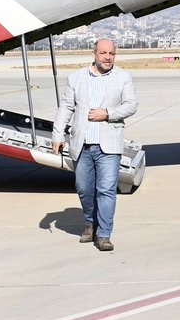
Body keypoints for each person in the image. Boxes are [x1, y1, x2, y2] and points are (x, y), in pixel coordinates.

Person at [52, 39, 138, 252]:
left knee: (106, 190)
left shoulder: (123, 77)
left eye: (112, 53)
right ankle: (91, 223)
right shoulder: (76, 78)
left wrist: (108, 114)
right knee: (84, 189)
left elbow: (131, 105)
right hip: (82, 145)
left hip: (109, 145)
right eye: (103, 53)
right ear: (94, 55)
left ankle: (104, 234)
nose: (108, 57)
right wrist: (57, 135)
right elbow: (66, 108)